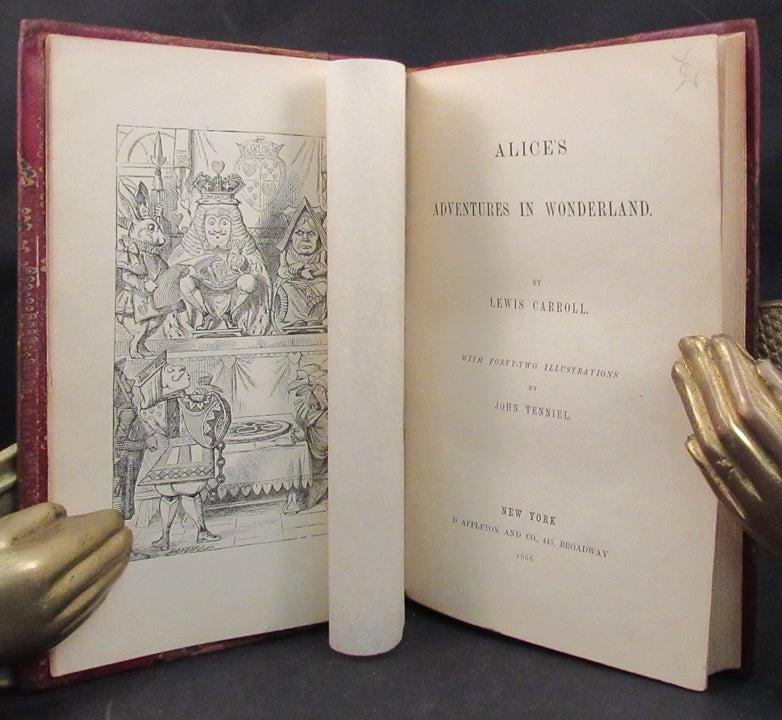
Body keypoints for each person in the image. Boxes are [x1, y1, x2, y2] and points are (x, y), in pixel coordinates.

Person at [168, 169, 271, 334]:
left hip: (233, 287)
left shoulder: (241, 245)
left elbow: (257, 267)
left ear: (233, 225)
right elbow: (176, 268)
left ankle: (229, 313)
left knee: (249, 282)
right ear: (202, 226)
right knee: (184, 283)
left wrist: (243, 263)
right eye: (211, 222)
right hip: (201, 287)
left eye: (224, 223)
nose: (217, 229)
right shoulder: (191, 246)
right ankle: (206, 314)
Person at [273, 199, 327, 333]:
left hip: (314, 281)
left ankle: (314, 319)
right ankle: (295, 321)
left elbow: (324, 267)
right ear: (291, 235)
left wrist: (313, 271)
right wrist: (298, 272)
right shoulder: (286, 251)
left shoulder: (320, 251)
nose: (305, 238)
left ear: (318, 237)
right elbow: (282, 270)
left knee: (324, 286)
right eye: (299, 233)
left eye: (311, 233)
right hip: (293, 282)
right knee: (288, 288)